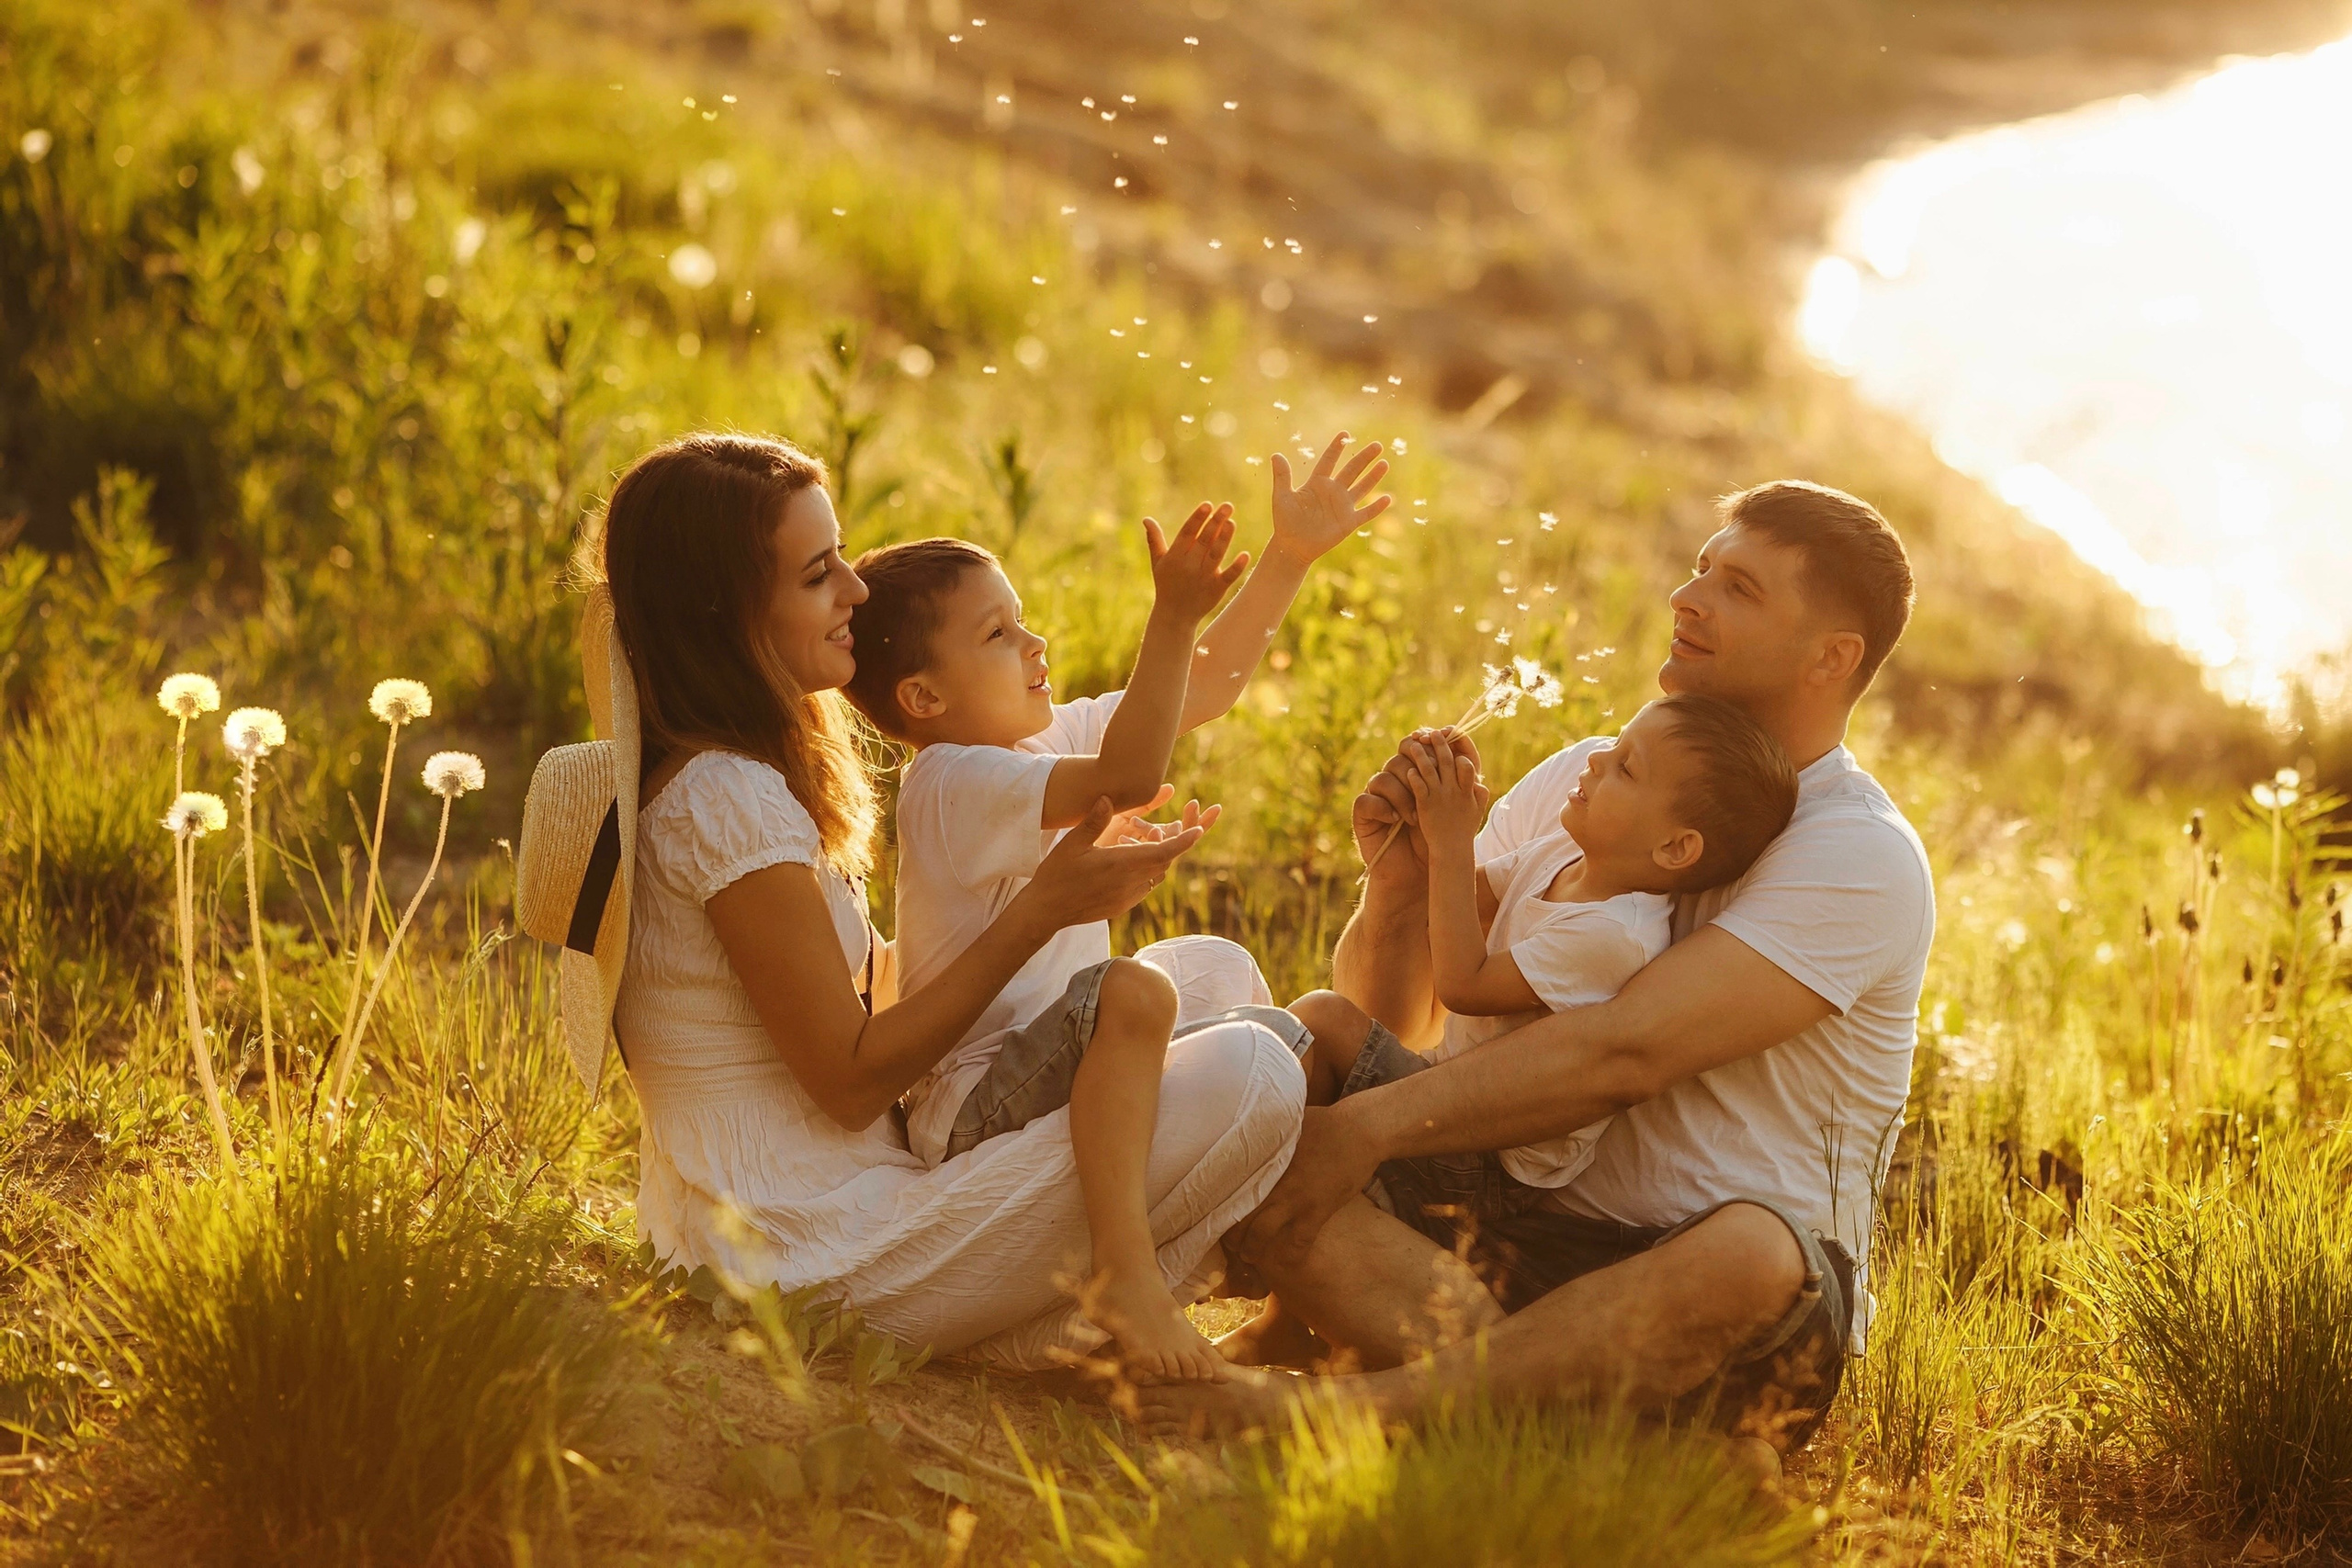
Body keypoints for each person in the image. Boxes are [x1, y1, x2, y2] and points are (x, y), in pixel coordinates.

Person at [1147, 479, 1936, 1455]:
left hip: (1692, 1286)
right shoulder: (1592, 772)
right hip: (1494, 1237)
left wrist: (1364, 1130)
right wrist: (1398, 890)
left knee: (1752, 1252)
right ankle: (1568, 1415)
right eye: (1699, 570)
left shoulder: (1855, 853)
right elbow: (1405, 1022)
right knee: (1292, 1073)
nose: (1688, 600)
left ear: (1832, 658)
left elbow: (1622, 1053)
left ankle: (1356, 1405)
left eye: (1739, 588)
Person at [533, 432, 1308, 1371]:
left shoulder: (745, 781)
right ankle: (1107, 1292)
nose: (856, 593)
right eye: (820, 575)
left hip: (855, 1202)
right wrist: (1039, 911)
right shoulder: (723, 802)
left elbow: (853, 996)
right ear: (733, 613)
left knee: (1212, 979)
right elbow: (850, 1078)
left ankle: (1060, 1317)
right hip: (805, 1251)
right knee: (1253, 1076)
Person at [841, 437, 1391, 1381]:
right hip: (976, 1104)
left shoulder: (1034, 740)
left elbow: (1201, 689)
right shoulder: (950, 779)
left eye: (1021, 622)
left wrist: (1288, 559)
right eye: (998, 636)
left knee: (1216, 967)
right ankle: (1127, 1277)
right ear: (923, 696)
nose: (1034, 645)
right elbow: (1136, 770)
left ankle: (1267, 1291)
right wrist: (1169, 615)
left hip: (1043, 1061)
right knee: (1131, 992)